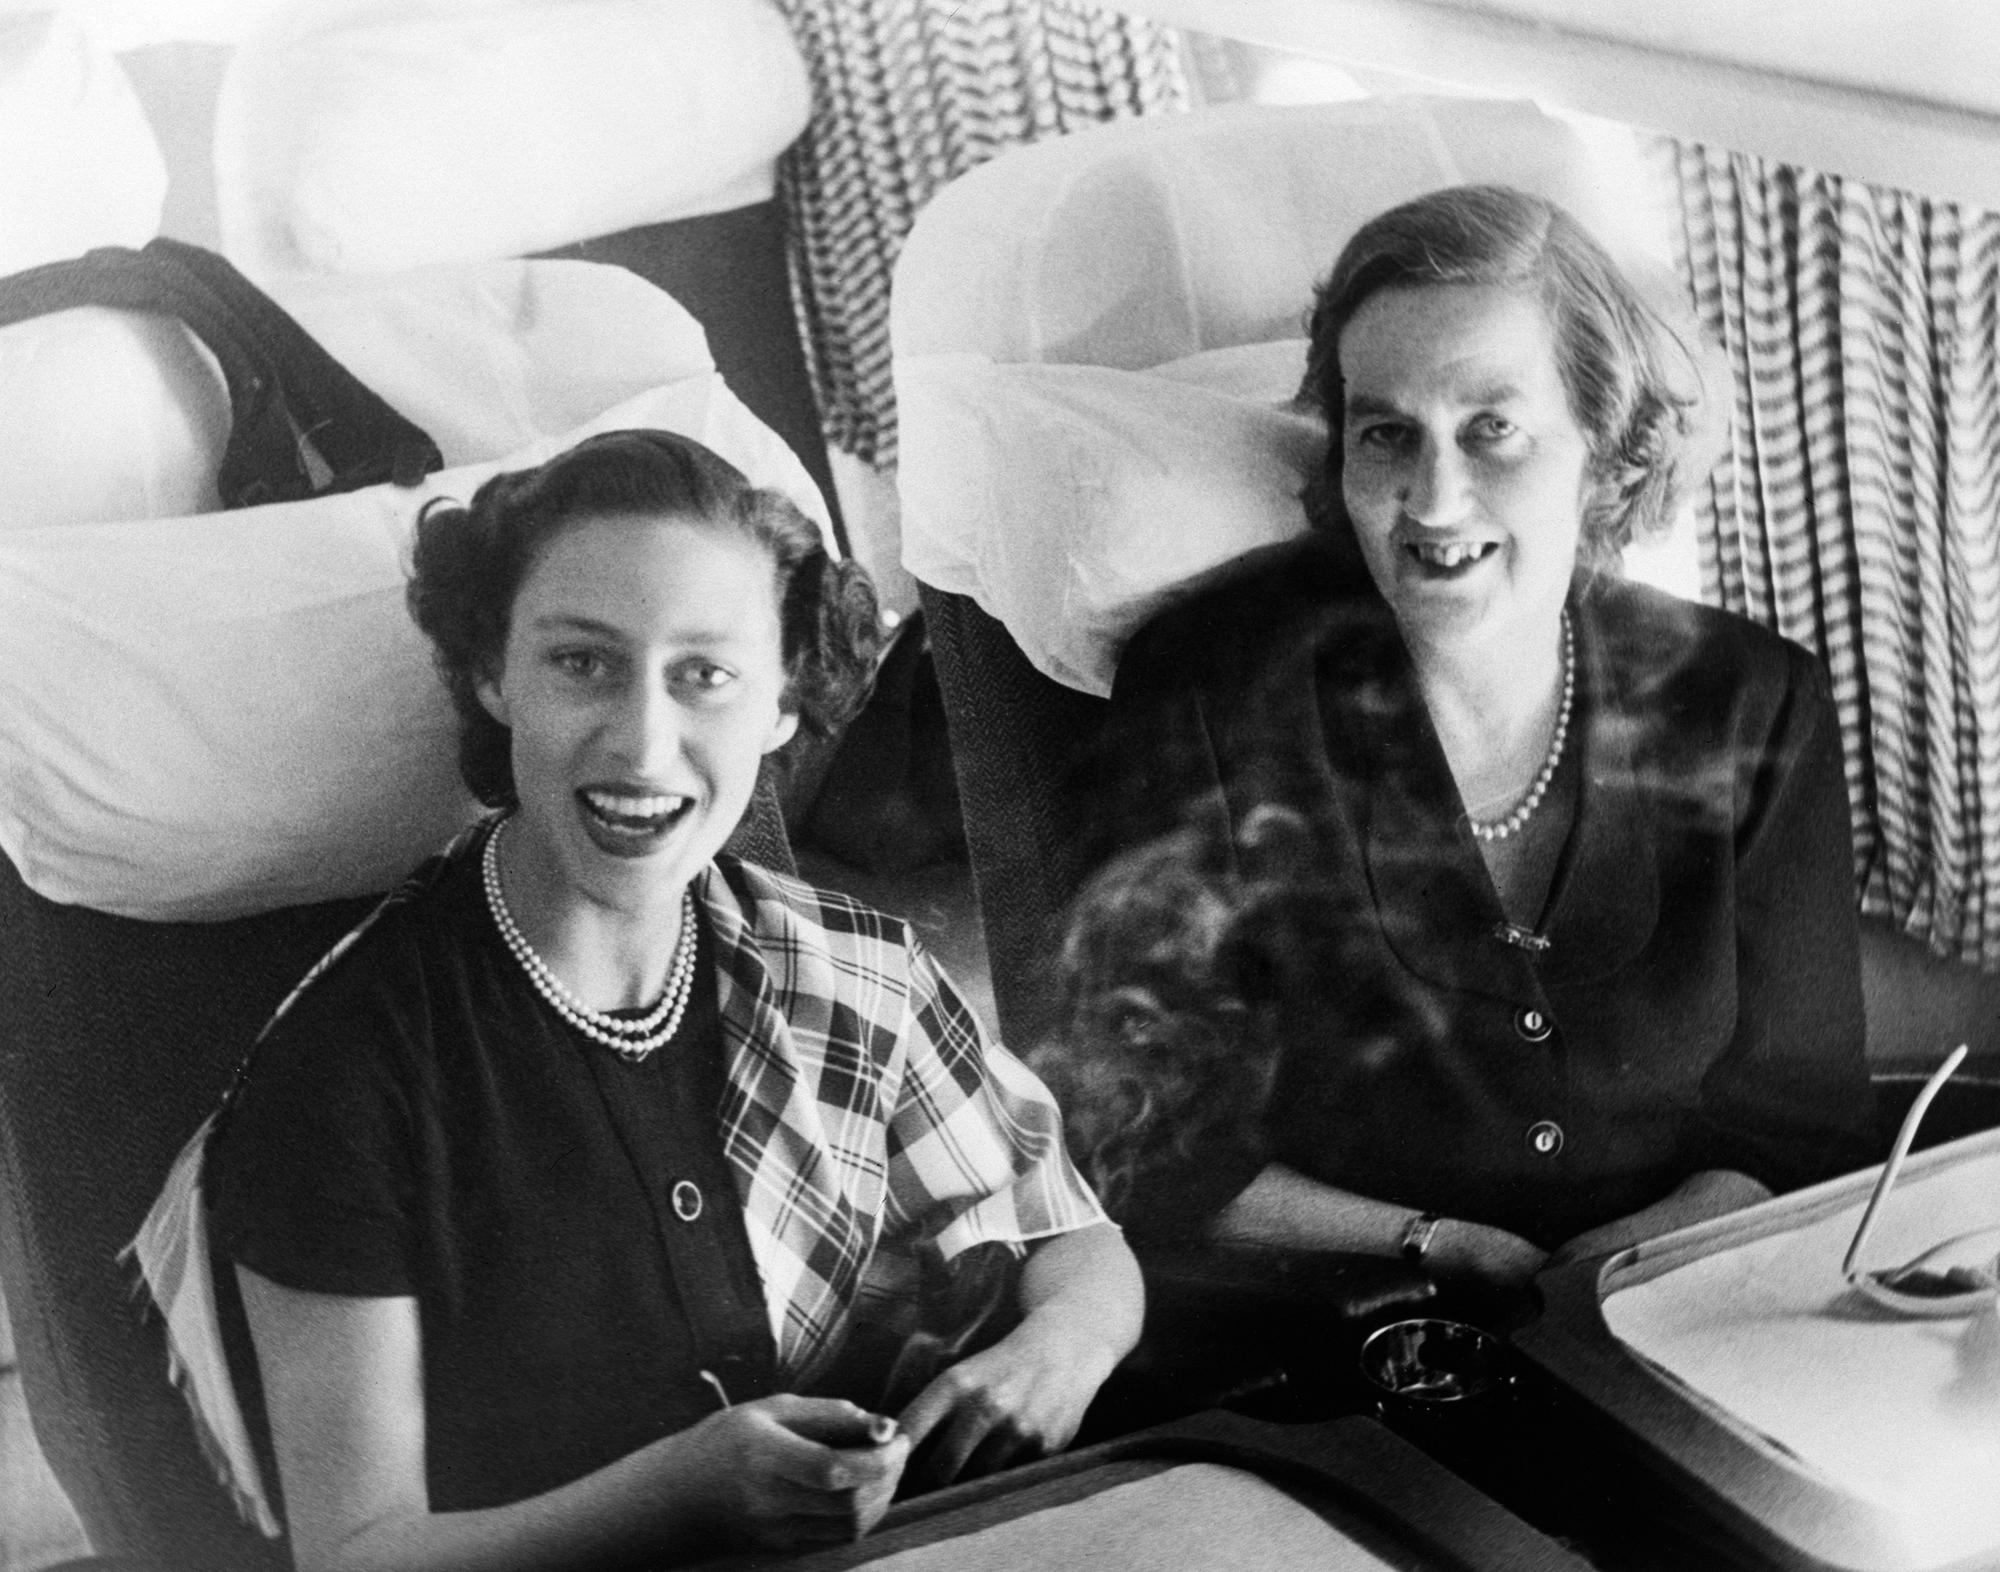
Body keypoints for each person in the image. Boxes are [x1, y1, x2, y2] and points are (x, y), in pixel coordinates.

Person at [134, 429, 1141, 1571]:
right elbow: (359, 1553)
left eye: (704, 675)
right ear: (490, 674)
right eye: (582, 663)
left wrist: (1057, 1349)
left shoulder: (844, 966)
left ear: (780, 706)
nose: (642, 743)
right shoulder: (348, 1074)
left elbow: (1077, 1238)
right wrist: (681, 1493)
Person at [1056, 184, 1877, 1303]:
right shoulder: (1210, 690)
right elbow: (1150, 1134)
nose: (1432, 500)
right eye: (1385, 433)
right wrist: (1438, 1247)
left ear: (1606, 439)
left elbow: (1796, 1114)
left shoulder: (1749, 697)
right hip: (1343, 1314)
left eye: (1491, 429)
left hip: (1678, 1297)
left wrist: (1619, 1277)